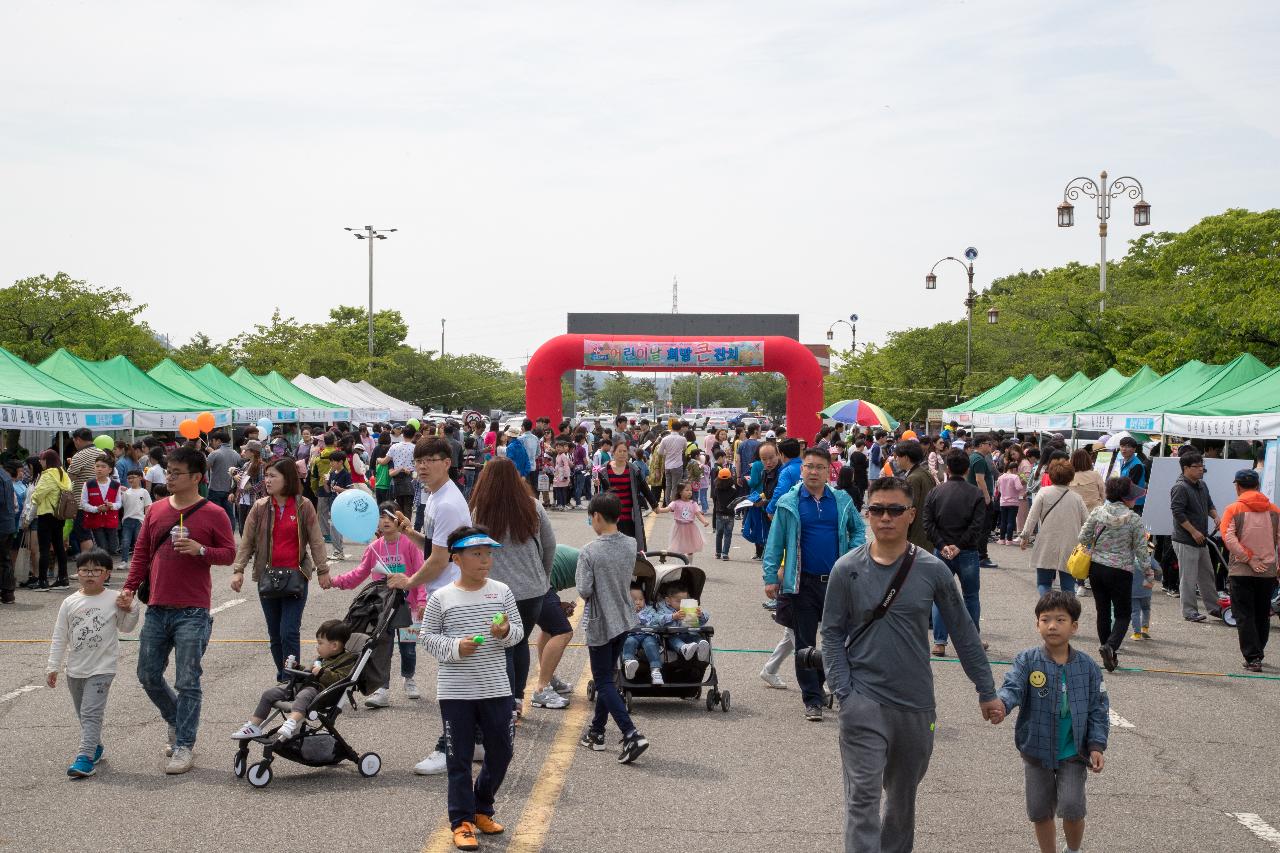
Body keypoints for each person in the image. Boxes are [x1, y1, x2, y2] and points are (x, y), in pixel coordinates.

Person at [822, 476, 1003, 852]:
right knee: (863, 798)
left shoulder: (932, 569)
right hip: (862, 702)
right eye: (877, 510)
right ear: (866, 513)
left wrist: (986, 690)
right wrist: (845, 693)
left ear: (911, 515)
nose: (885, 517)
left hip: (915, 703)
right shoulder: (846, 569)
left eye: (894, 510)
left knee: (902, 802)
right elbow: (832, 635)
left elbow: (963, 633)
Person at [119, 444, 236, 774]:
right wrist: (129, 587)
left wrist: (200, 550)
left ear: (197, 477)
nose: (169, 477)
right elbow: (141, 553)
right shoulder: (156, 510)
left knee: (188, 681)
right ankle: (176, 719)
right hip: (156, 606)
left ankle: (184, 744)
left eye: (176, 473)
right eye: (168, 471)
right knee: (147, 675)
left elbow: (229, 554)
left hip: (193, 611)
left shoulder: (213, 513)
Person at [420, 526, 524, 850]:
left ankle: (482, 806)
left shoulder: (501, 591)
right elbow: (426, 637)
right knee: (459, 759)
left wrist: (504, 631)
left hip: (496, 688)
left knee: (503, 751)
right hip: (456, 693)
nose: (485, 560)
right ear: (457, 558)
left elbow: (518, 633)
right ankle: (462, 821)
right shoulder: (442, 598)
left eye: (488, 553)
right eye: (477, 554)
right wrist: (455, 647)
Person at [998, 591, 1109, 853]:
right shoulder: (1027, 660)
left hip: (1074, 751)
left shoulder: (1088, 667)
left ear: (1074, 626)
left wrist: (1096, 745)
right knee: (1039, 811)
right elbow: (1011, 686)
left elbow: (1099, 708)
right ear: (1037, 624)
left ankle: (1073, 850)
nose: (1052, 626)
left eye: (1060, 620)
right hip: (1036, 749)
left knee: (1072, 807)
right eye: (1045, 619)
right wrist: (1001, 705)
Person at [387, 437, 471, 774]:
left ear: (446, 463)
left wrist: (410, 582)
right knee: (459, 674)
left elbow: (438, 561)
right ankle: (471, 740)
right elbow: (437, 548)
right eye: (419, 460)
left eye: (430, 460)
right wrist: (410, 533)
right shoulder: (436, 497)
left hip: (450, 595)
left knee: (452, 679)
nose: (422, 466)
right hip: (446, 592)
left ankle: (448, 747)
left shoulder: (448, 502)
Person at [763, 447, 866, 721]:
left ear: (828, 470)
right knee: (805, 643)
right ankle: (812, 698)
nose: (813, 471)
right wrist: (770, 576)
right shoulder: (789, 502)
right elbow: (775, 541)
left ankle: (824, 685)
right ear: (802, 469)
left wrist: (852, 555)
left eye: (820, 467)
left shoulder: (842, 500)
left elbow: (858, 530)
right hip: (802, 583)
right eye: (809, 466)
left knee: (838, 640)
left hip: (837, 582)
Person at [467, 458, 562, 712]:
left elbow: (472, 551)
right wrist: (543, 575)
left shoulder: (479, 510)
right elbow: (550, 545)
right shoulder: (532, 506)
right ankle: (517, 700)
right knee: (519, 642)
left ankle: (504, 702)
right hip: (532, 591)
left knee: (501, 645)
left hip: (495, 593)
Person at [230, 458, 330, 681]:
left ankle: (290, 678)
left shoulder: (304, 505)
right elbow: (247, 541)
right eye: (266, 476)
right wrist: (239, 570)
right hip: (268, 578)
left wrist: (323, 570)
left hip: (296, 577)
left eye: (273, 475)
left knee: (289, 632)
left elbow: (316, 540)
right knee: (275, 634)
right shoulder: (260, 507)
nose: (267, 480)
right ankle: (285, 675)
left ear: (288, 478)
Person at [45, 548, 140, 778]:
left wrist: (132, 608)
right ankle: (95, 746)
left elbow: (127, 627)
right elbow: (60, 636)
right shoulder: (69, 602)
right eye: (85, 570)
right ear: (77, 573)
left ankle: (85, 758)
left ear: (107, 574)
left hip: (102, 669)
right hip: (75, 669)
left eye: (96, 570)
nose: (90, 574)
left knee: (90, 713)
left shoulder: (114, 598)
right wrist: (53, 666)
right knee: (83, 713)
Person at [576, 492, 650, 764]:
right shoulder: (630, 544)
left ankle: (631, 733)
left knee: (604, 681)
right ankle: (596, 732)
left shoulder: (589, 551)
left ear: (596, 517)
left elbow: (584, 589)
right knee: (608, 676)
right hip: (624, 618)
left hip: (600, 621)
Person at [230, 619, 358, 742]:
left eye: (320, 643)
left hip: (322, 694)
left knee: (304, 695)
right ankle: (253, 726)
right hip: (304, 686)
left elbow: (341, 680)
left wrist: (323, 672)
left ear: (334, 646)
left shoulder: (347, 661)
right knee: (269, 693)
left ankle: (292, 722)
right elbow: (308, 672)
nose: (317, 647)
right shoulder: (323, 658)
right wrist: (297, 667)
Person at [922, 450, 988, 658]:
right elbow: (977, 525)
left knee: (940, 596)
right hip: (966, 550)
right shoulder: (975, 493)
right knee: (970, 596)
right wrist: (959, 545)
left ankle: (939, 642)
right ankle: (972, 638)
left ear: (947, 469)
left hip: (941, 550)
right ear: (968, 469)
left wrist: (942, 545)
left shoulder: (935, 492)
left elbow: (928, 523)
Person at [1080, 476, 1149, 673]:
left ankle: (1108, 652)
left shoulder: (1098, 512)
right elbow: (1142, 550)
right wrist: (1149, 574)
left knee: (1103, 612)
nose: (1135, 499)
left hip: (1097, 568)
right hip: (1121, 571)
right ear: (1125, 497)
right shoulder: (1134, 519)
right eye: (1132, 496)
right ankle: (1110, 647)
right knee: (1122, 614)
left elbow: (1082, 537)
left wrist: (1096, 544)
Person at [1219, 468, 1280, 672]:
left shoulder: (1233, 509)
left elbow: (1228, 537)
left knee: (1244, 614)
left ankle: (1253, 657)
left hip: (1242, 570)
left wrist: (1248, 558)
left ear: (1237, 486)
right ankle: (1257, 653)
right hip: (1268, 570)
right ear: (1258, 486)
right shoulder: (1274, 510)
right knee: (1262, 613)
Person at [1021, 460, 1089, 596]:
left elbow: (1032, 517)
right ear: (1071, 477)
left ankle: (1046, 611)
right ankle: (1068, 615)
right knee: (1068, 587)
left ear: (1050, 476)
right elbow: (1087, 523)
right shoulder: (1077, 498)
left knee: (1044, 583)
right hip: (1070, 545)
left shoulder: (1043, 493)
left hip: (1046, 542)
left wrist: (1025, 536)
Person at [1169, 452, 1222, 622]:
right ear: (1185, 468)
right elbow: (1177, 513)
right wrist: (1193, 531)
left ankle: (1214, 607)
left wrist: (1215, 516)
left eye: (1202, 466)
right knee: (1188, 577)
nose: (1201, 470)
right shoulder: (1180, 487)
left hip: (1201, 538)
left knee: (1207, 574)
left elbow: (1209, 504)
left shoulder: (1201, 485)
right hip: (1185, 539)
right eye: (1197, 467)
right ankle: (1189, 611)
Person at [595, 437, 656, 551]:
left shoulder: (633, 469)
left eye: (625, 451)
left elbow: (644, 487)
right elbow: (599, 490)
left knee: (630, 545)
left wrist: (655, 505)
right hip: (612, 514)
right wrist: (596, 483)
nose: (622, 454)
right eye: (620, 451)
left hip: (629, 514)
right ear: (613, 453)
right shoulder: (604, 469)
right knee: (612, 546)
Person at [26, 449, 71, 589]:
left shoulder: (47, 475)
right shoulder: (63, 474)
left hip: (46, 514)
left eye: (42, 459)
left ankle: (43, 581)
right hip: (59, 514)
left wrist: (28, 518)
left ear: (48, 461)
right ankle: (63, 578)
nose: (40, 462)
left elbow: (37, 496)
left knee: (44, 548)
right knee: (59, 547)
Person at [894, 440, 935, 550]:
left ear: (906, 458)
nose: (896, 459)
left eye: (898, 456)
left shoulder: (913, 478)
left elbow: (910, 507)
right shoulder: (925, 473)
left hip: (916, 534)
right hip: (927, 530)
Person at [66, 427, 101, 554]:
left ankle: (87, 566)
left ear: (78, 440)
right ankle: (99, 566)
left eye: (74, 441)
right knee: (97, 535)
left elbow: (69, 478)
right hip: (101, 499)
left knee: (83, 533)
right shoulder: (102, 452)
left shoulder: (80, 455)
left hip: (83, 501)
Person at [653, 481, 709, 562]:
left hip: (691, 528)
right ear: (680, 492)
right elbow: (667, 509)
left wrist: (704, 521)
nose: (690, 492)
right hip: (679, 528)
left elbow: (698, 514)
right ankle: (681, 565)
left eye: (691, 490)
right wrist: (659, 510)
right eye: (687, 490)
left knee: (690, 549)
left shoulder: (693, 503)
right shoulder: (676, 503)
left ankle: (689, 565)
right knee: (679, 548)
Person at [966, 434, 998, 568]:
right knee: (984, 528)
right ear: (980, 445)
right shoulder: (979, 459)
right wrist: (986, 497)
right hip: (980, 498)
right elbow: (980, 480)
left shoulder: (974, 457)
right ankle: (982, 556)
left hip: (973, 497)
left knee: (978, 527)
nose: (990, 446)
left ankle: (977, 554)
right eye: (988, 443)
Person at [81, 455, 122, 558]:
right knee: (102, 548)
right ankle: (104, 571)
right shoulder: (88, 484)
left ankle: (105, 568)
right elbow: (83, 503)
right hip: (95, 520)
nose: (99, 469)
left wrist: (112, 506)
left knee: (113, 547)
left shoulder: (115, 485)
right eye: (97, 466)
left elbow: (119, 503)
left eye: (103, 467)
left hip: (111, 520)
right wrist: (96, 509)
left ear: (110, 470)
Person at [205, 430, 240, 530]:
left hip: (215, 489)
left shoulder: (215, 454)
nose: (212, 443)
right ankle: (230, 536)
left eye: (213, 441)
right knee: (229, 515)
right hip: (230, 490)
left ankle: (217, 536)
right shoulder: (236, 454)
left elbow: (204, 468)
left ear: (219, 441)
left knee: (215, 516)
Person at [119, 469, 152, 567]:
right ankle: (124, 561)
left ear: (140, 478)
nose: (131, 480)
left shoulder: (144, 492)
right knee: (125, 542)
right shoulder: (125, 492)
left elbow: (148, 507)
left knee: (139, 542)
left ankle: (139, 561)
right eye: (129, 478)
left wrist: (147, 520)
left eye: (133, 477)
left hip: (140, 520)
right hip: (127, 520)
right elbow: (120, 505)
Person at [388, 423, 419, 514]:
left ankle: (400, 526)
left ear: (403, 434)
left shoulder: (394, 446)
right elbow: (417, 464)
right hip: (410, 478)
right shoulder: (415, 448)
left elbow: (386, 460)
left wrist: (379, 459)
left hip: (397, 478)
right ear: (413, 435)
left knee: (399, 507)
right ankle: (407, 526)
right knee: (408, 507)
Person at [994, 461, 1027, 545]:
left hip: (1003, 502)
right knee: (1011, 521)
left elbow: (998, 489)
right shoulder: (1015, 477)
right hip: (1013, 502)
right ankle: (1009, 540)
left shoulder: (1001, 477)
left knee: (1003, 521)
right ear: (1014, 469)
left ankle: (1001, 539)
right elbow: (1019, 487)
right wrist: (1021, 478)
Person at [711, 463, 738, 560]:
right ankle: (725, 554)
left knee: (719, 534)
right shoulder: (734, 491)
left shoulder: (716, 490)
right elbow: (736, 502)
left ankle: (718, 553)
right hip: (730, 515)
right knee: (728, 534)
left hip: (719, 514)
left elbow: (715, 501)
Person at [1116, 435, 1148, 515]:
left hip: (1134, 504)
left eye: (1127, 447)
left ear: (1134, 449)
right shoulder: (1123, 462)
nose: (1124, 449)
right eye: (1122, 446)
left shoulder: (1137, 465)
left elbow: (1130, 485)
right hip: (1126, 501)